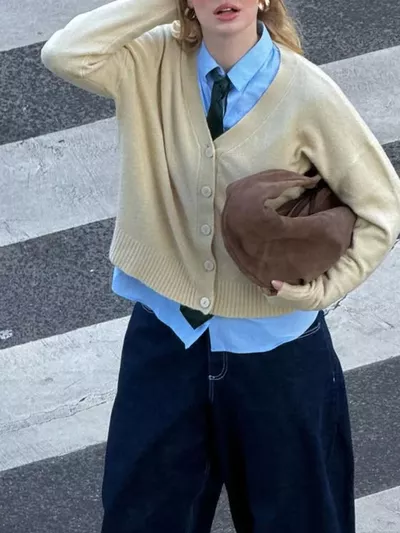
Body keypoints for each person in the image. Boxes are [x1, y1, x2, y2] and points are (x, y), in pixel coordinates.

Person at [41, 1, 400, 532]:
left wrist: (323, 291)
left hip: (277, 355)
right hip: (167, 342)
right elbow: (65, 53)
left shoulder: (307, 92)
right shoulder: (151, 62)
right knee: (141, 520)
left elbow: (383, 208)